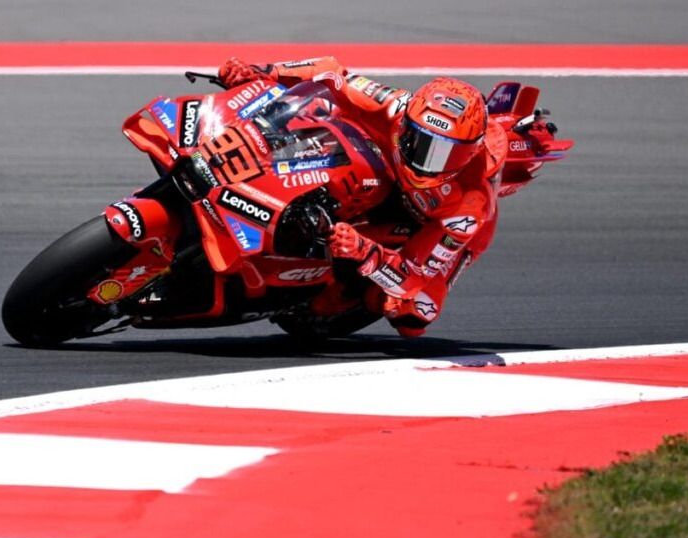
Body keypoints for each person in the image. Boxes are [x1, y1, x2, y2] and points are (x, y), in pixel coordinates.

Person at [218, 56, 552, 337]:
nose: (427, 161)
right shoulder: (395, 104)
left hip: (431, 223)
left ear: (469, 154)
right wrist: (264, 72)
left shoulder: (470, 205)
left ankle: (344, 292)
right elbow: (333, 74)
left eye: (447, 154)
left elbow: (416, 277)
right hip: (385, 175)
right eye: (421, 143)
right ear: (408, 121)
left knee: (414, 313)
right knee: (321, 110)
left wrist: (366, 252)